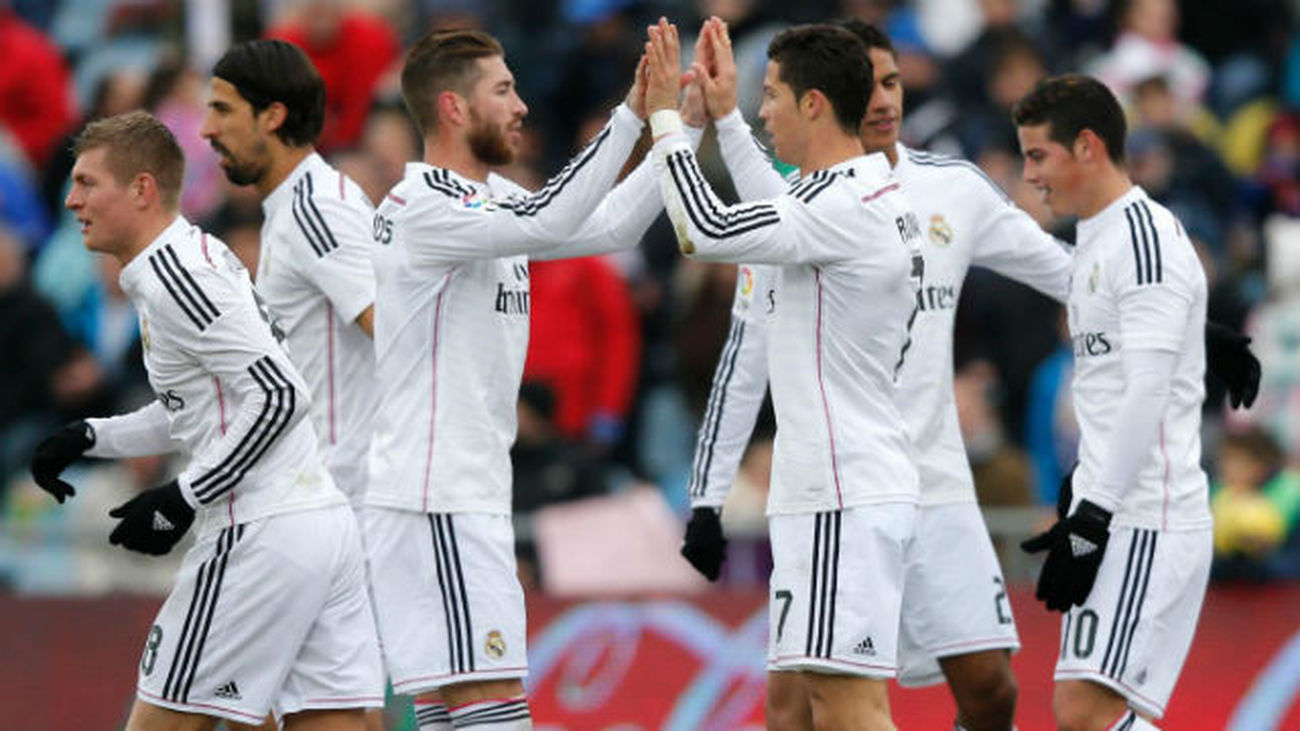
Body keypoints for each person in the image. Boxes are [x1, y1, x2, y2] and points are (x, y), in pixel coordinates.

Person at [678, 19, 1262, 730]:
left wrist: (1188, 324)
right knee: (803, 705)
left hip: (924, 485)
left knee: (985, 687)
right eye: (867, 83)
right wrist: (707, 497)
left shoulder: (948, 190)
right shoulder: (793, 214)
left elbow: (1068, 272)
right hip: (842, 484)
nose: (882, 97)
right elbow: (743, 359)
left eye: (892, 80)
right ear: (826, 98)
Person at [364, 28, 696, 729]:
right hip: (437, 499)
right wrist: (633, 113)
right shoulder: (428, 208)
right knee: (492, 709)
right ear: (453, 108)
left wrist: (682, 124)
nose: (521, 107)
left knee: (454, 714)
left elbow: (607, 226)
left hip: (451, 494)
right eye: (504, 90)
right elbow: (557, 213)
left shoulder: (483, 205)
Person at [30, 111, 382, 730]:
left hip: (258, 532)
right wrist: (93, 436)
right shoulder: (188, 259)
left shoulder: (176, 278)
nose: (70, 199)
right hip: (316, 523)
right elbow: (204, 407)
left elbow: (279, 395)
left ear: (141, 189)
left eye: (87, 183)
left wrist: (183, 495)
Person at [646, 19, 923, 730]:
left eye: (770, 96)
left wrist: (665, 121)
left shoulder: (836, 208)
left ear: (814, 104)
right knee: (795, 707)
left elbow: (700, 230)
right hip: (832, 490)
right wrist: (729, 120)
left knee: (845, 703)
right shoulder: (852, 194)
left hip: (841, 492)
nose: (761, 108)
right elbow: (783, 203)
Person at [1013, 74, 1212, 731]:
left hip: (1149, 513)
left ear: (1088, 146)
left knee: (1084, 710)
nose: (1030, 174)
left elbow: (1149, 389)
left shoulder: (1144, 239)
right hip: (1114, 510)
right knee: (1083, 711)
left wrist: (1092, 516)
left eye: (1039, 155)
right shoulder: (1097, 241)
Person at [201, 40, 376, 512]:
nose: (207, 129)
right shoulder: (294, 208)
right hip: (312, 496)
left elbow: (394, 329)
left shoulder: (316, 207)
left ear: (272, 116)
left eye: (222, 110)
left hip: (344, 498)